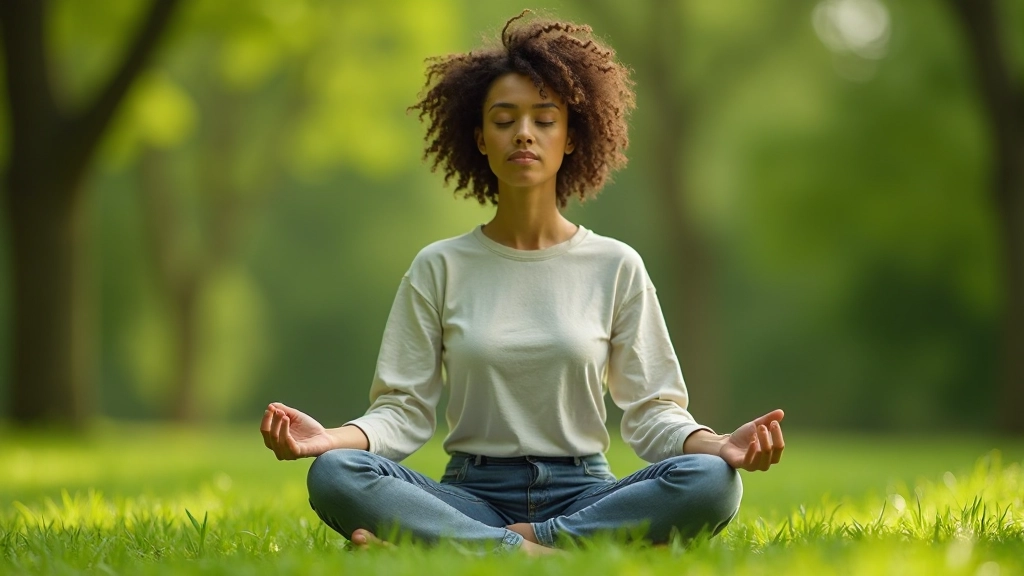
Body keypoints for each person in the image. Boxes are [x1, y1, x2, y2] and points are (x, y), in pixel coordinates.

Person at [260, 12, 784, 555]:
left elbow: (653, 411)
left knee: (711, 480)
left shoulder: (616, 265)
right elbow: (403, 410)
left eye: (544, 118)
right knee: (335, 473)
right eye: (504, 119)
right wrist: (329, 439)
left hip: (585, 492)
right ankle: (548, 551)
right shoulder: (438, 267)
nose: (524, 133)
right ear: (481, 140)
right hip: (470, 492)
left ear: (572, 137)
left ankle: (465, 548)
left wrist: (718, 444)